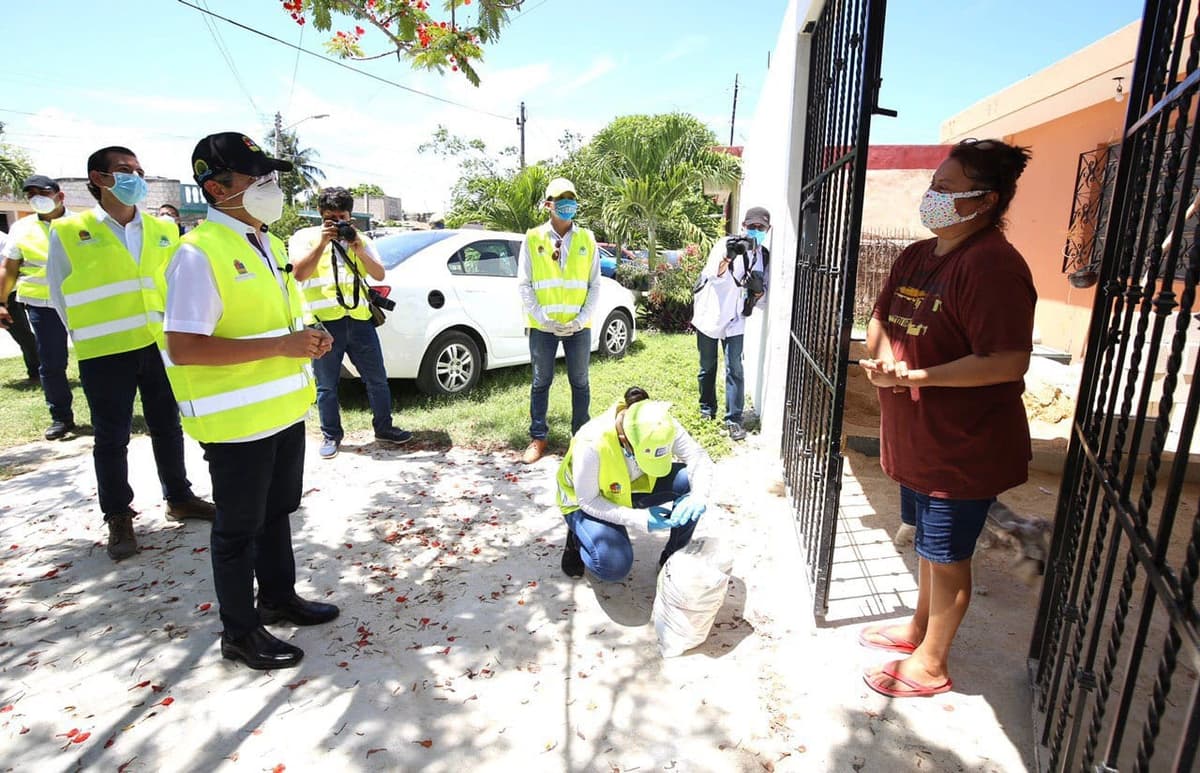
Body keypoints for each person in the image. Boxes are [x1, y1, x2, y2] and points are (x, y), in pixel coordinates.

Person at [856, 138, 1035, 698]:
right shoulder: (917, 255)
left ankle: (932, 663)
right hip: (918, 440)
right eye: (934, 184)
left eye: (947, 188)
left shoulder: (992, 266)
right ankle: (918, 629)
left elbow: (1006, 360)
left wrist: (922, 377)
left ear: (986, 199)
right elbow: (880, 315)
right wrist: (882, 356)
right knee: (928, 549)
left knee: (948, 555)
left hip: (962, 446)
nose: (932, 195)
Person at [162, 132, 339, 670]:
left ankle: (278, 598)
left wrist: (307, 337)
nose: (270, 186)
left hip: (282, 411)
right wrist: (282, 346)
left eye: (271, 176)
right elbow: (184, 347)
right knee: (237, 530)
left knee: (277, 513)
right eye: (256, 177)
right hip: (235, 422)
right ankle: (240, 633)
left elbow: (273, 321)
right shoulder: (198, 253)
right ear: (216, 188)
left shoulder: (269, 244)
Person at [46, 146, 215, 561]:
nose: (135, 177)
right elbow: (58, 294)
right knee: (111, 437)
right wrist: (87, 333)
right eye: (124, 170)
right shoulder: (69, 230)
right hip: (104, 350)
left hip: (158, 345)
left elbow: (175, 285)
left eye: (139, 170)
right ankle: (118, 516)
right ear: (98, 178)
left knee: (168, 426)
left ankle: (179, 497)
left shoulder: (163, 229)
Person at [289, 186, 411, 459]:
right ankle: (331, 435)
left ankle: (384, 428)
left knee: (377, 379)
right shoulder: (305, 238)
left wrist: (358, 247)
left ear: (350, 216)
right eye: (330, 218)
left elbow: (378, 275)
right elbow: (299, 274)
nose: (336, 223)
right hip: (323, 323)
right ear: (320, 215)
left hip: (359, 320)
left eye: (341, 217)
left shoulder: (361, 239)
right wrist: (322, 243)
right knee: (326, 385)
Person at [555, 387, 714, 581]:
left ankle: (672, 559)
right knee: (613, 566)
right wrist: (639, 519)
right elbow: (587, 500)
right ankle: (577, 537)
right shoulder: (591, 443)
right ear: (625, 440)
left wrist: (699, 496)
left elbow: (698, 457)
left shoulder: (660, 424)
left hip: (627, 488)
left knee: (689, 481)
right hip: (585, 501)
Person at [516, 177, 601, 464]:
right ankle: (538, 437)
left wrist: (581, 319)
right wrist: (543, 319)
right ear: (548, 205)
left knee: (580, 381)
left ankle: (580, 439)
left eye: (571, 199)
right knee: (541, 381)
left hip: (578, 327)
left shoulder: (587, 238)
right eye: (561, 199)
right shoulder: (533, 238)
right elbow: (524, 284)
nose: (568, 204)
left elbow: (594, 284)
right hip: (544, 327)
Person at [0, 175, 74, 436]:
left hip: (81, 302)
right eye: (30, 194)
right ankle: (61, 418)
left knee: (98, 360)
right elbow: (9, 267)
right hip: (42, 304)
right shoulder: (21, 228)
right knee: (51, 363)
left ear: (59, 196)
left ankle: (107, 415)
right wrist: (1, 301)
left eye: (42, 192)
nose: (36, 198)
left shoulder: (82, 223)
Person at [691, 206, 771, 441]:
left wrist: (757, 291)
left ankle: (733, 419)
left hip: (736, 319)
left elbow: (762, 297)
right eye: (752, 226)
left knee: (735, 367)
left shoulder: (764, 257)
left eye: (761, 227)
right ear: (743, 226)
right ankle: (707, 409)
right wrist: (728, 257)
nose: (756, 230)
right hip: (711, 314)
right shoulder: (725, 244)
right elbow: (713, 275)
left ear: (768, 230)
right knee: (707, 366)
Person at [0, 228, 40, 385]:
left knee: (23, 334)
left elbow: (11, 267)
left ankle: (37, 372)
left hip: (7, 293)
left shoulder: (3, 240)